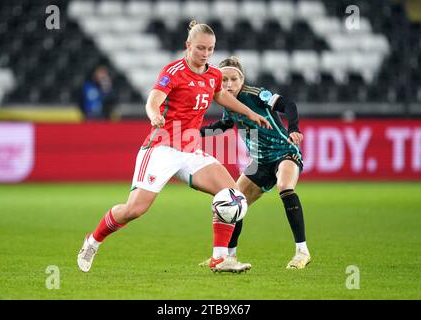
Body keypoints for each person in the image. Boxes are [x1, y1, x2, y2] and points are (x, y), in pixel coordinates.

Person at [77, 21, 272, 273]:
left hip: (190, 149)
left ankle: (220, 259)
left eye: (210, 49)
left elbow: (220, 95)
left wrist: (250, 113)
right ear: (188, 45)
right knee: (133, 210)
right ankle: (93, 240)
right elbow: (153, 100)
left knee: (232, 196)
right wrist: (153, 114)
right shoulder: (174, 71)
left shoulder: (213, 75)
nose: (205, 54)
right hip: (162, 147)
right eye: (201, 48)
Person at [199, 56, 311, 269]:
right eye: (224, 80)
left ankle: (302, 252)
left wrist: (294, 127)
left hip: (284, 152)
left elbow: (288, 104)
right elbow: (224, 125)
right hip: (259, 162)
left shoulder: (257, 95)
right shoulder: (228, 104)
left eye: (234, 79)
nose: (229, 85)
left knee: (285, 187)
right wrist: (194, 132)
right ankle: (229, 257)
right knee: (234, 202)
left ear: (242, 79)